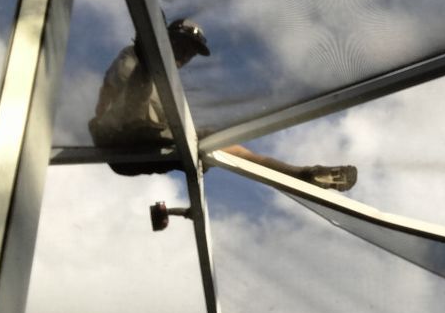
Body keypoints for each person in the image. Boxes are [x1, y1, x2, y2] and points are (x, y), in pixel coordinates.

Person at [89, 18, 357, 190]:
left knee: (218, 144)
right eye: (182, 48)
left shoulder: (170, 88)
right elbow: (114, 90)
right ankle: (150, 43)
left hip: (146, 151)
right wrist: (100, 125)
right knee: (144, 93)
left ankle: (302, 174)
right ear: (167, 41)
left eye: (190, 53)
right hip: (121, 140)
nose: (186, 56)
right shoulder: (132, 60)